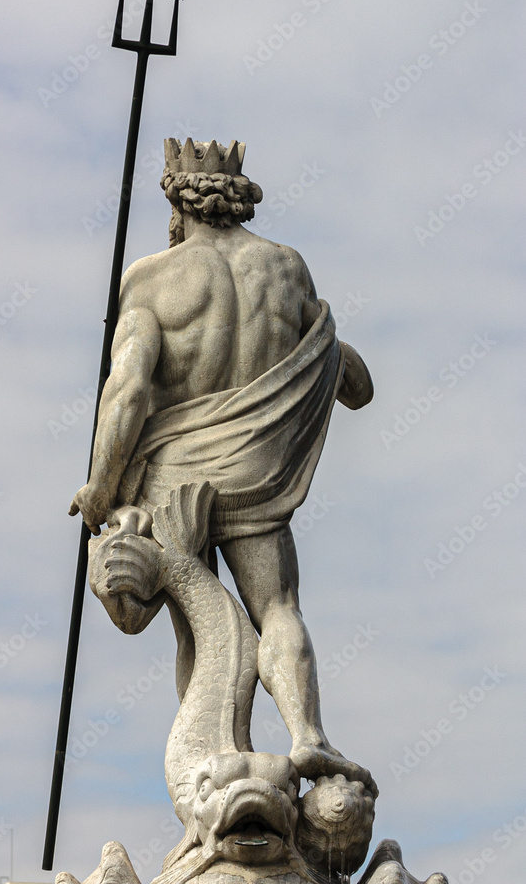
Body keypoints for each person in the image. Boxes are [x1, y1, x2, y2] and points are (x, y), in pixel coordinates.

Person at [70, 138, 376, 792]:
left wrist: (100, 484)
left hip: (175, 473)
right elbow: (350, 379)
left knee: (195, 618)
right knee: (279, 607)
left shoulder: (152, 276)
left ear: (177, 206)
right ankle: (306, 737)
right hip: (257, 470)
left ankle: (216, 756)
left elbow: (126, 389)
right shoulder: (286, 269)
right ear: (239, 201)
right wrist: (323, 362)